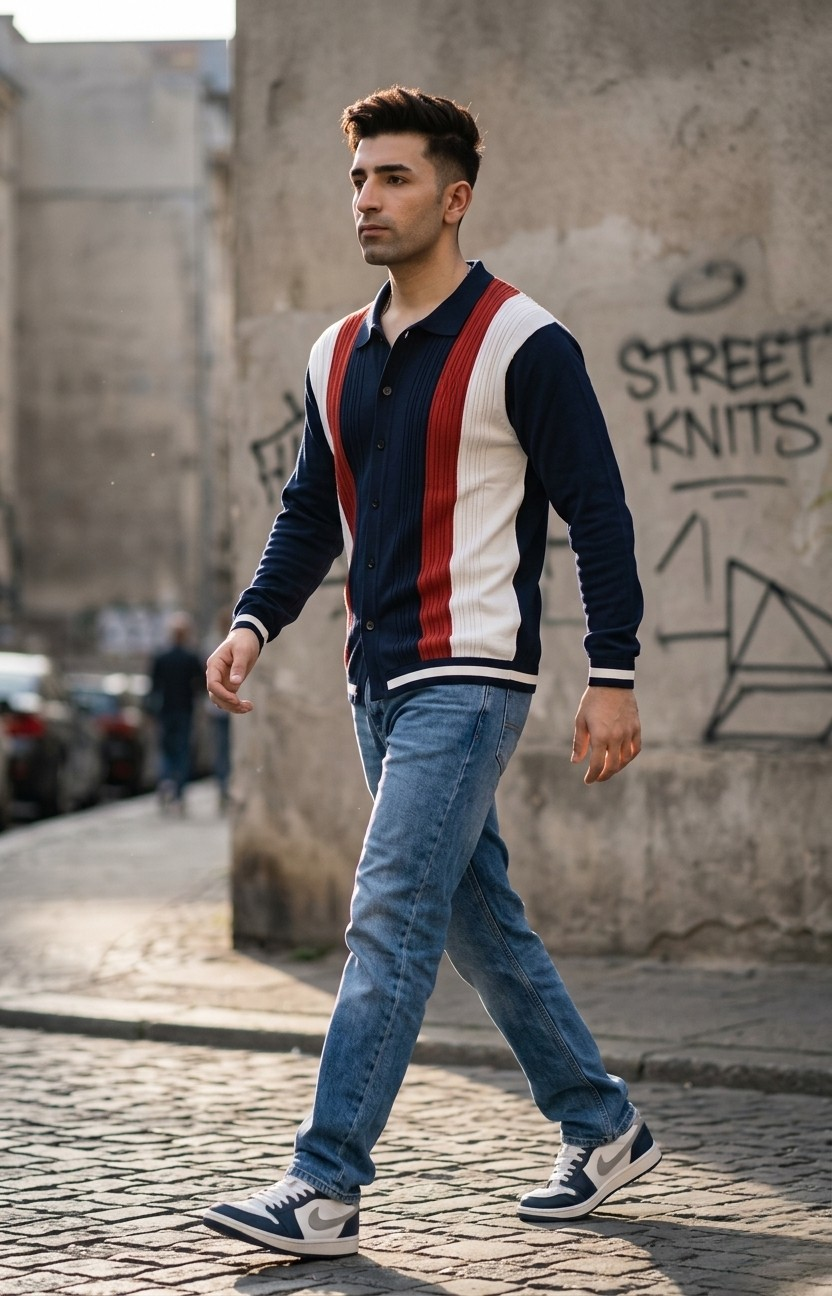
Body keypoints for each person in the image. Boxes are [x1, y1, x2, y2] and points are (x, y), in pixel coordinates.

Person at [203, 86, 659, 1260]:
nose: (368, 197)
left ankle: (325, 1185)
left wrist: (612, 672)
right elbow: (314, 510)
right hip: (376, 674)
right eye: (357, 176)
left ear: (453, 197)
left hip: (471, 678)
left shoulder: (525, 342)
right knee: (477, 922)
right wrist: (256, 618)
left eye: (393, 177)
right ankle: (602, 1125)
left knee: (389, 911)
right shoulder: (335, 352)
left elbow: (598, 518)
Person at [149, 612, 203, 812]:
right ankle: (178, 793)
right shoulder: (190, 658)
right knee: (182, 752)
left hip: (166, 709)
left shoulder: (162, 657)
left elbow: (153, 686)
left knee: (166, 751)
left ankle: (165, 782)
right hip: (184, 710)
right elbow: (201, 684)